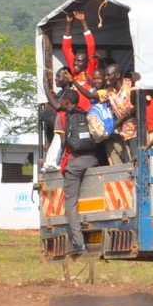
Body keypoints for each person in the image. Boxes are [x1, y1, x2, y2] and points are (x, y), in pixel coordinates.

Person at [57, 88, 101, 258]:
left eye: (61, 99)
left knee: (71, 203)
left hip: (75, 163)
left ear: (66, 102)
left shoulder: (62, 117)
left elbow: (62, 143)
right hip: (91, 159)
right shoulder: (87, 114)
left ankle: (78, 242)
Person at [62, 11, 99, 112]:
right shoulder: (74, 72)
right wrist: (69, 23)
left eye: (80, 61)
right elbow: (66, 48)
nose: (76, 63)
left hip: (87, 114)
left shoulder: (90, 73)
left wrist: (83, 22)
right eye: (75, 60)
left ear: (86, 63)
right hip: (75, 116)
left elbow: (91, 47)